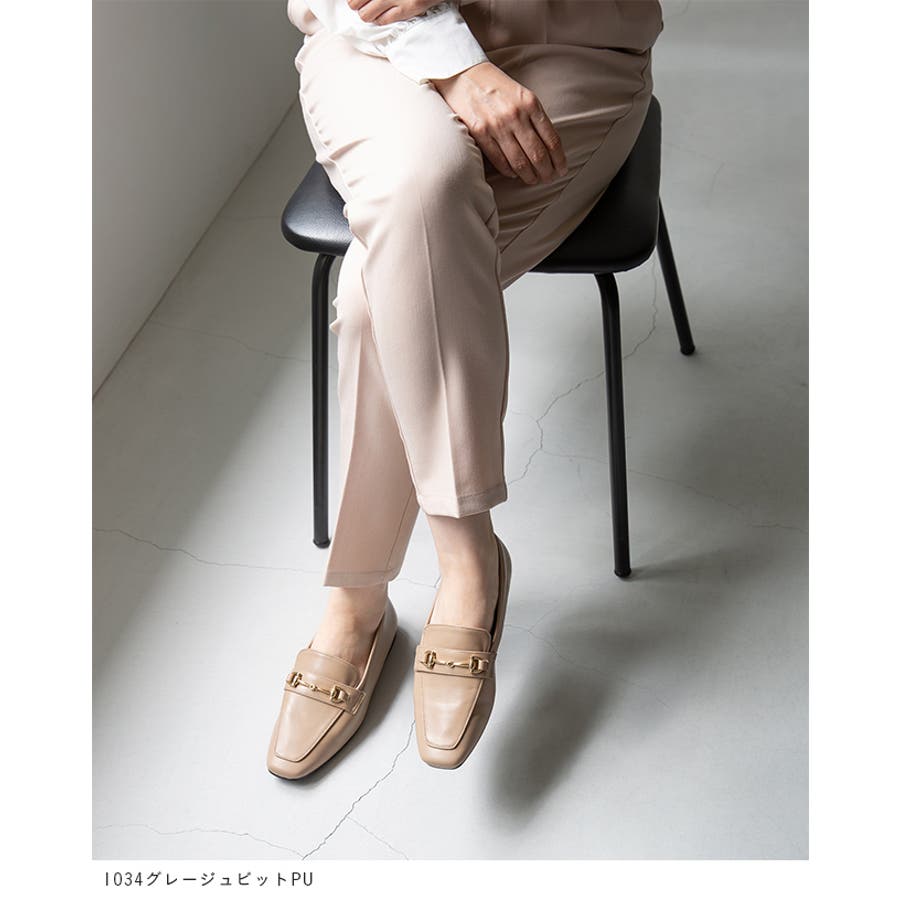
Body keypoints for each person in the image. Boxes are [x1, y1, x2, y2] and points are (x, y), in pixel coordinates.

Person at [267, 0, 663, 776]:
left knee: (378, 296)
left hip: (570, 43)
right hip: (369, 44)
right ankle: (469, 554)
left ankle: (356, 597)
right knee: (423, 179)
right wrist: (452, 58)